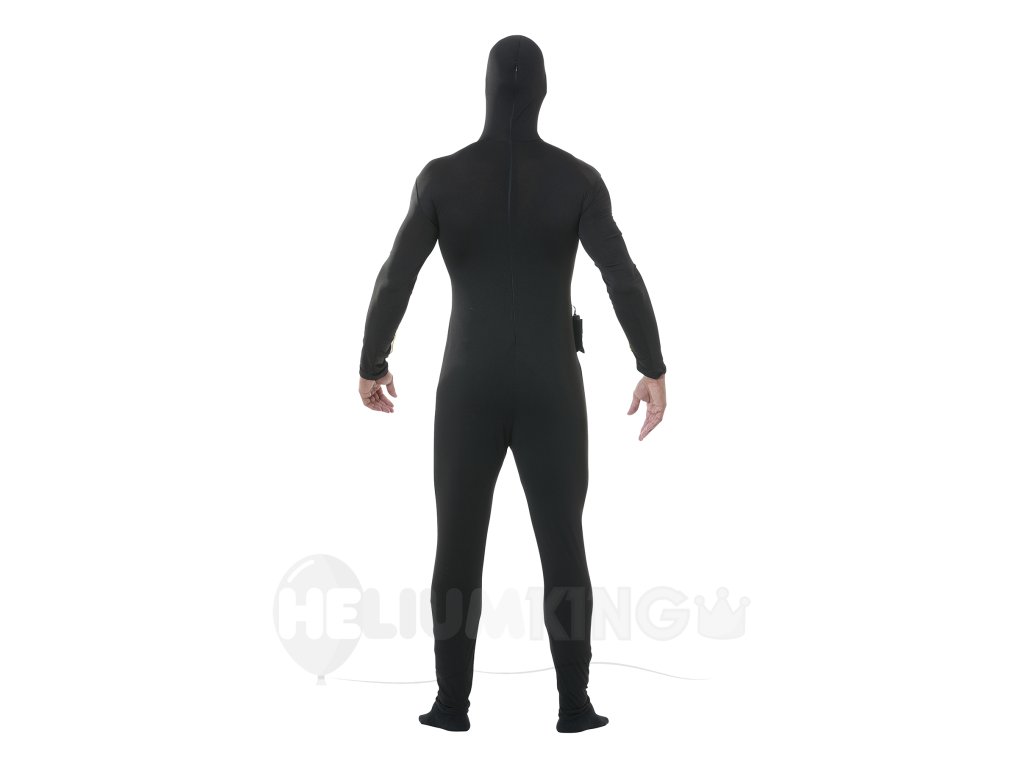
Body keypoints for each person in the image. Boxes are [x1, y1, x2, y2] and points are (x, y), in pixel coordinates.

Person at [357, 34, 667, 733]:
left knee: (456, 545)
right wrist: (651, 366)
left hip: (466, 385)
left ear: (486, 91)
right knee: (564, 544)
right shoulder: (578, 180)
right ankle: (575, 706)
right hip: (552, 386)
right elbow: (621, 276)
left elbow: (395, 277)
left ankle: (450, 706)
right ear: (544, 93)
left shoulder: (440, 179)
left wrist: (372, 362)